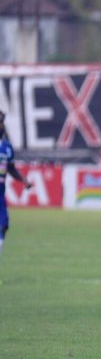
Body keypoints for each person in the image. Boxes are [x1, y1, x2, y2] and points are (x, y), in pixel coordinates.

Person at [0, 111, 33, 269]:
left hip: (0, 195)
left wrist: (23, 180)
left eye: (1, 122)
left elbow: (11, 168)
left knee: (4, 226)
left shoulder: (7, 148)